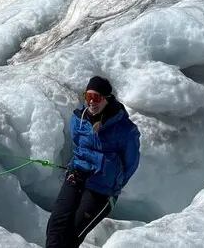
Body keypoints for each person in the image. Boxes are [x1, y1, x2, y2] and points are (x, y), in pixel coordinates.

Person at [46, 75, 141, 248]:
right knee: (55, 226)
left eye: (96, 97)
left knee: (72, 234)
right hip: (77, 174)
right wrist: (77, 168)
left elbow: (131, 163)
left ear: (107, 98)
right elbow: (79, 147)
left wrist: (113, 183)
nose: (91, 102)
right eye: (88, 97)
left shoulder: (125, 129)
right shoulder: (78, 118)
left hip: (102, 188)